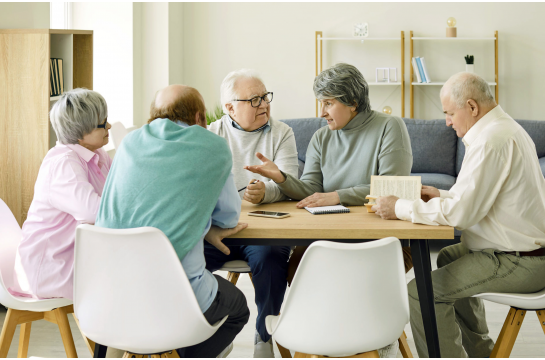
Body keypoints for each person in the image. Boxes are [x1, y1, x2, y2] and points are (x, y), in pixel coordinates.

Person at [245, 63, 414, 358]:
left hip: (384, 244)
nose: (322, 112)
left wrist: (336, 196)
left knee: (354, 277)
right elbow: (312, 188)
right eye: (320, 103)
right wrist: (281, 178)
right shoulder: (322, 137)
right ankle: (331, 341)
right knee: (300, 268)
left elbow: (392, 187)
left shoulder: (389, 127)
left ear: (353, 102)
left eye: (328, 103)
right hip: (324, 242)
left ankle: (372, 336)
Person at [372, 72, 545, 358]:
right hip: (526, 253)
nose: (447, 121)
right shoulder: (502, 129)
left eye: (450, 113)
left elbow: (462, 215)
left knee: (420, 293)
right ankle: (480, 352)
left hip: (521, 262)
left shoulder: (491, 141)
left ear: (472, 107)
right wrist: (440, 195)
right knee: (449, 255)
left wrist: (398, 208)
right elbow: (479, 199)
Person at [96, 85, 250, 358]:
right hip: (175, 297)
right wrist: (205, 227)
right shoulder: (213, 146)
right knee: (238, 308)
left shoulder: (129, 143)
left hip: (110, 294)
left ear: (153, 117)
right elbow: (228, 217)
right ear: (200, 117)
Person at [208, 69, 298, 357]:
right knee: (181, 254)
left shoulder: (282, 132)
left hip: (261, 231)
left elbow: (291, 184)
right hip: (217, 230)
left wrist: (266, 192)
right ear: (229, 108)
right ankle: (207, 333)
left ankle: (264, 336)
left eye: (265, 97)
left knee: (270, 256)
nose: (264, 105)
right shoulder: (212, 135)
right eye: (254, 100)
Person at [10, 89, 112, 300]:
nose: (109, 126)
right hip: (50, 267)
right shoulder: (63, 163)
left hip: (74, 258)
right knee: (131, 278)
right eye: (103, 123)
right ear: (81, 131)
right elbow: (95, 212)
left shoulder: (97, 155)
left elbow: (118, 194)